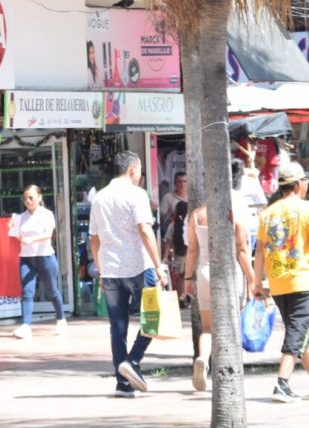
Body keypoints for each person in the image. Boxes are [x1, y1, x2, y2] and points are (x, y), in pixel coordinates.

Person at [89, 151, 168, 398]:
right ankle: (133, 361)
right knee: (153, 317)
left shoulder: (99, 197)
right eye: (141, 170)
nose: (140, 175)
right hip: (139, 266)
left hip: (110, 269)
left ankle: (122, 383)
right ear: (132, 170)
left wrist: (101, 268)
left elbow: (94, 238)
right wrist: (159, 265)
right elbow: (144, 230)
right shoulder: (137, 194)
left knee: (117, 327)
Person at [183, 166, 256, 391]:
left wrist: (187, 279)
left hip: (204, 271)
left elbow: (192, 250)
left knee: (207, 327)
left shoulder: (196, 214)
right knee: (230, 324)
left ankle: (203, 358)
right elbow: (242, 249)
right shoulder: (232, 212)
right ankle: (228, 372)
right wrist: (252, 279)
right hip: (228, 272)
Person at [253, 161, 309, 403]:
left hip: (277, 283)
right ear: (297, 185)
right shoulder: (305, 210)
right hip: (302, 281)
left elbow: (259, 253)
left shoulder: (267, 214)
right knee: (297, 334)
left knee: (302, 332)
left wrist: (256, 283)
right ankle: (282, 383)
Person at [10, 184, 68, 339]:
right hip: (27, 258)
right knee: (27, 291)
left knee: (52, 291)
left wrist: (31, 239)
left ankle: (61, 319)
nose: (28, 201)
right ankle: (26, 325)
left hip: (45, 257)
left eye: (31, 197)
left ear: (39, 197)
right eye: (25, 198)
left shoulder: (46, 214)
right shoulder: (21, 217)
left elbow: (48, 234)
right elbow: (18, 237)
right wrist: (13, 229)